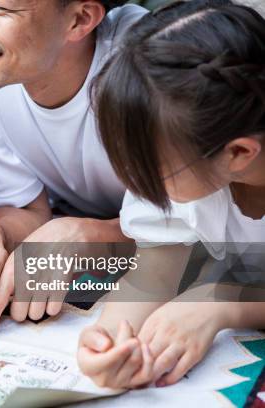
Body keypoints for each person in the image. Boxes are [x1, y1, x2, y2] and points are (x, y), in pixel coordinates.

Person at [0, 0, 147, 348]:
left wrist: (92, 236)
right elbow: (24, 207)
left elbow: (209, 230)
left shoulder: (154, 71)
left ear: (79, 19)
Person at [77, 0, 265, 389]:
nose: (138, 181)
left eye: (153, 170)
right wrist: (110, 339)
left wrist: (221, 303)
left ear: (239, 153)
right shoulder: (186, 157)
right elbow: (154, 272)